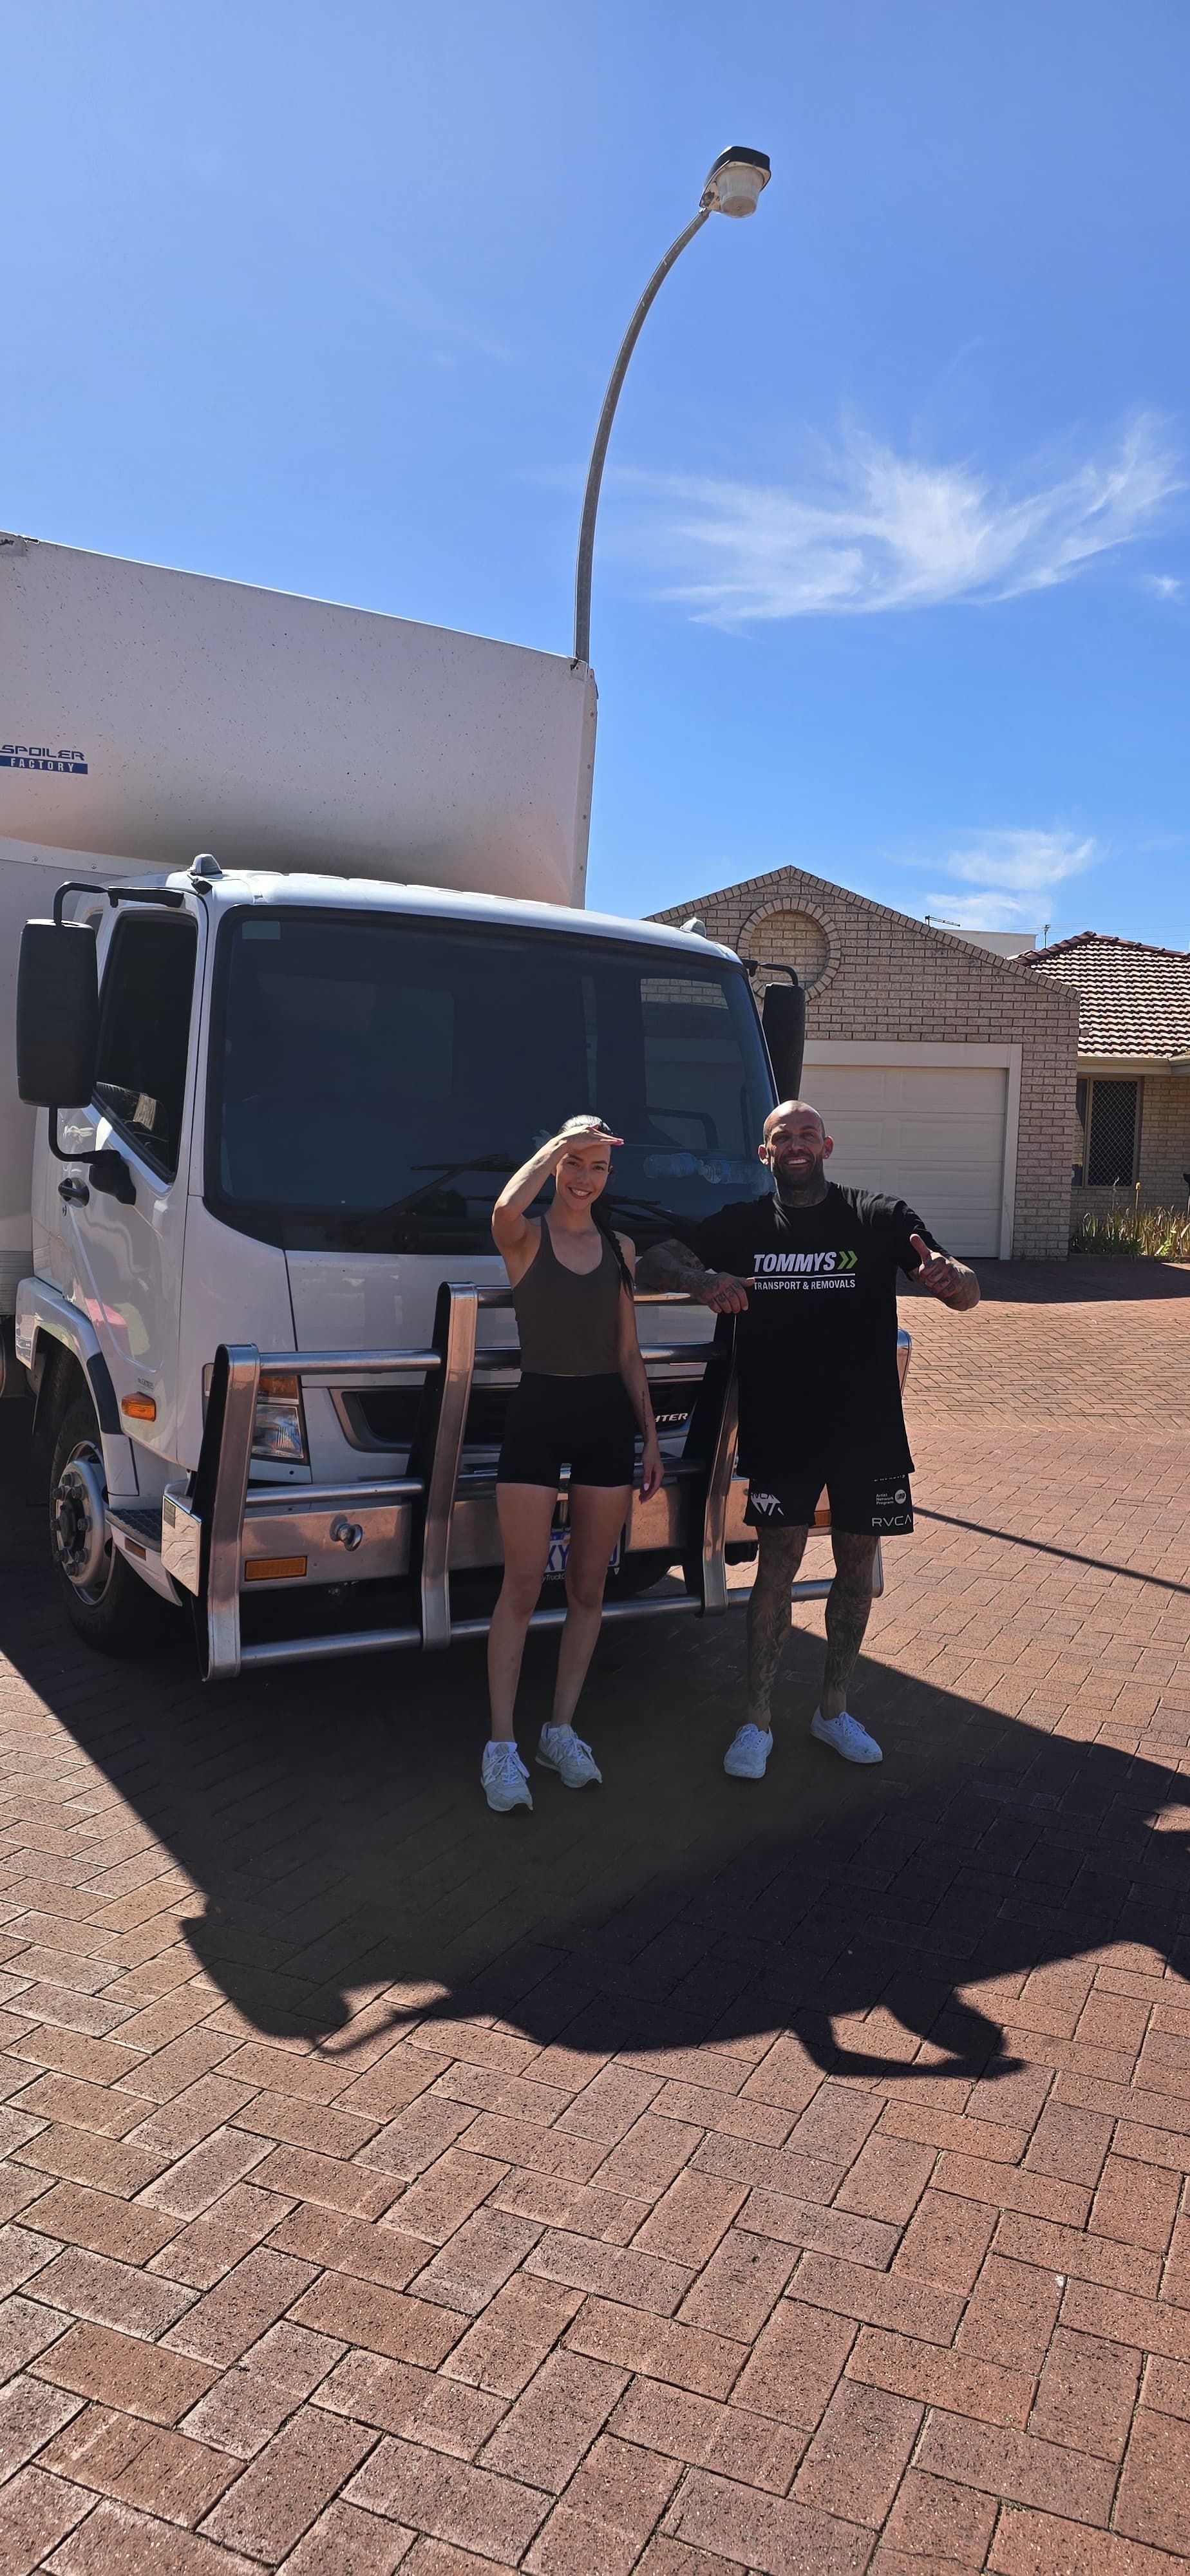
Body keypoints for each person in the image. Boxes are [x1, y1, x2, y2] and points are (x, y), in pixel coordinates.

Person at [637, 1099, 979, 1777]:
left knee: (857, 1571)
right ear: (765, 1154)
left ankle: (833, 1711)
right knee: (777, 1566)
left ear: (827, 1144)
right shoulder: (742, 1225)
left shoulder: (878, 1216)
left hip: (867, 1429)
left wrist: (955, 1279)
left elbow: (960, 1285)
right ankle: (756, 1722)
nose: (794, 1143)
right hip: (782, 1428)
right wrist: (698, 1278)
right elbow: (652, 1259)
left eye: (805, 1133)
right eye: (780, 1136)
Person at [483, 1116, 663, 1814]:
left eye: (598, 1167)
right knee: (523, 1586)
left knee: (589, 1585)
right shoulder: (526, 1238)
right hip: (538, 1414)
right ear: (556, 1165)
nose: (586, 1177)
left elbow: (627, 1350)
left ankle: (560, 1729)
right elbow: (503, 1208)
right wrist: (553, 1145)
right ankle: (501, 1745)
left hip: (605, 1423)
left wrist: (648, 1433)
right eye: (575, 1163)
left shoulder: (620, 1246)